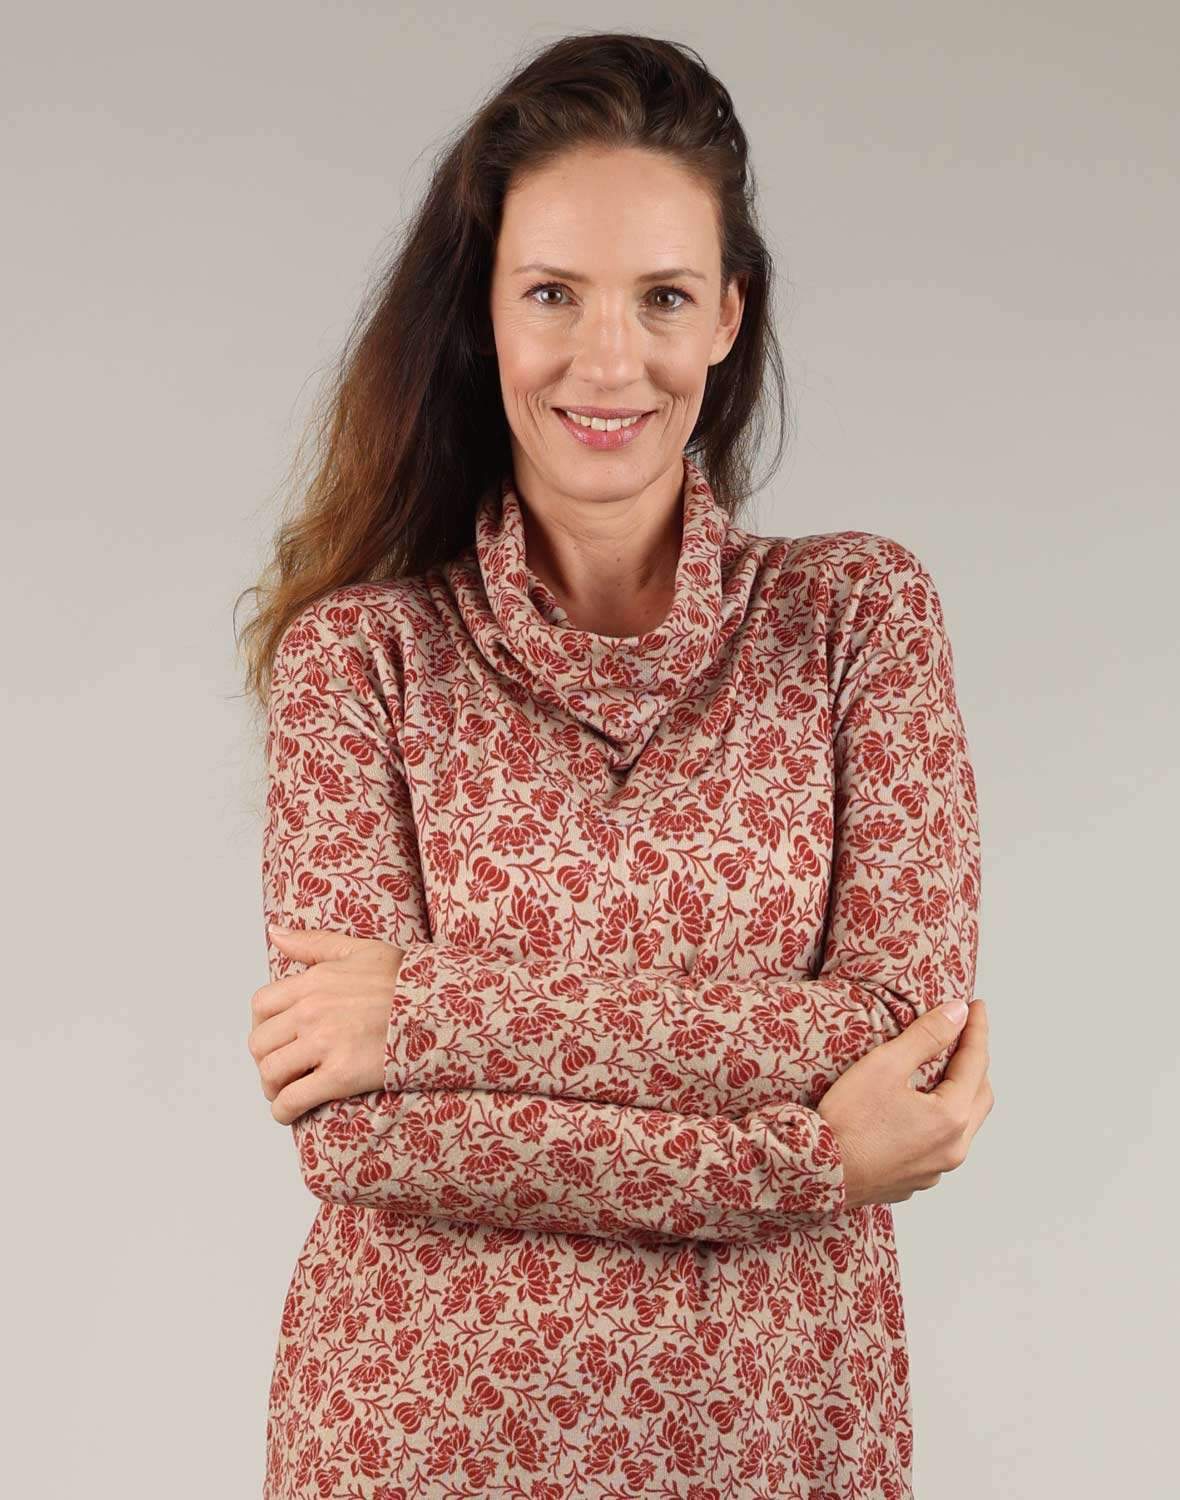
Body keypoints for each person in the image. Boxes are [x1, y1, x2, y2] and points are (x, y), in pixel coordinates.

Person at [239, 31, 992, 1500]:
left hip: (776, 1441)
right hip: (416, 1444)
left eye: (661, 296)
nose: (608, 359)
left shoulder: (857, 618)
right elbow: (360, 1139)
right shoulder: (363, 660)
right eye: (551, 293)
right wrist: (813, 1163)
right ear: (483, 314)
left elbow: (900, 1042)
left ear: (727, 314)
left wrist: (431, 1011)